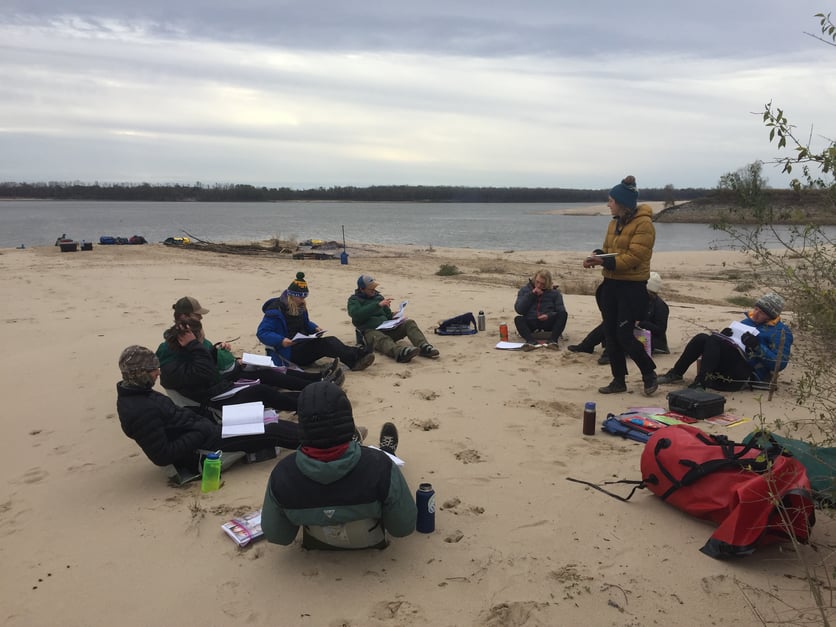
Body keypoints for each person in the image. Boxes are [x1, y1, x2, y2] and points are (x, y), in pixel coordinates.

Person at [261, 381, 417, 550]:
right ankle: (384, 450)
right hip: (370, 540)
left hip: (316, 543)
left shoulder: (283, 473)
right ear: (348, 420)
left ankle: (353, 444)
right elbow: (402, 528)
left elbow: (278, 536)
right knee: (381, 470)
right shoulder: (381, 466)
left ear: (302, 426)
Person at [116, 345, 303, 473]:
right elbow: (163, 455)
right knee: (271, 431)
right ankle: (321, 441)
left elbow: (175, 419)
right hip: (204, 448)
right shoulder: (139, 409)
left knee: (267, 420)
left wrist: (204, 418)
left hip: (208, 429)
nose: (158, 372)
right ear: (139, 374)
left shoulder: (140, 393)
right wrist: (201, 430)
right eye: (152, 370)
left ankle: (314, 434)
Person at [168, 296, 345, 390]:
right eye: (197, 314)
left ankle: (318, 378)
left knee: (272, 370)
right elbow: (199, 368)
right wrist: (222, 360)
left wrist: (219, 349)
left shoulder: (193, 333)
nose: (200, 317)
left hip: (231, 367)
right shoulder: (180, 340)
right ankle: (318, 384)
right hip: (224, 378)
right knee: (269, 378)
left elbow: (205, 355)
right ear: (183, 316)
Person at [582, 175, 658, 396]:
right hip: (611, 284)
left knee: (624, 334)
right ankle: (618, 380)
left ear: (623, 203)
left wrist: (605, 260)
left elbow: (634, 257)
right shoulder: (613, 223)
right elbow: (608, 251)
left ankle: (648, 373)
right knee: (610, 332)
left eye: (611, 201)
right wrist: (596, 257)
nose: (608, 204)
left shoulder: (645, 224)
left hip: (632, 288)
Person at [157, 316, 302, 413]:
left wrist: (214, 350)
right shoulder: (171, 365)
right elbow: (206, 374)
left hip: (218, 392)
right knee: (262, 391)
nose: (203, 340)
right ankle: (307, 404)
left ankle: (308, 397)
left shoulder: (181, 354)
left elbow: (206, 370)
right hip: (210, 403)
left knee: (267, 386)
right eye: (201, 337)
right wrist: (196, 346)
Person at [657, 292, 793, 391]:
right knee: (702, 338)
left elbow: (779, 364)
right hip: (729, 364)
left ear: (771, 316)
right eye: (756, 309)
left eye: (762, 312)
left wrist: (757, 347)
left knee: (714, 341)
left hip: (747, 372)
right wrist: (724, 336)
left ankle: (701, 383)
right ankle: (676, 373)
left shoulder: (781, 332)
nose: (756, 314)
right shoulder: (747, 321)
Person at [257, 272, 375, 372]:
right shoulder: (275, 311)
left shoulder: (300, 306)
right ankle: (355, 360)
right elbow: (262, 332)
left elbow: (305, 323)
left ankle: (358, 355)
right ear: (291, 296)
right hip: (288, 352)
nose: (303, 300)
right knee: (328, 343)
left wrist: (315, 328)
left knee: (329, 342)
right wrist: (281, 340)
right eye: (301, 297)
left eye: (304, 297)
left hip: (301, 343)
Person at [568, 271, 670, 363]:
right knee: (610, 323)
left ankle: (609, 353)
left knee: (622, 328)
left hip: (650, 340)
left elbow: (660, 330)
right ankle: (587, 345)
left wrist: (640, 323)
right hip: (634, 331)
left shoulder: (660, 306)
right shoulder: (636, 298)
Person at [347, 274, 440, 363]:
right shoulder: (354, 300)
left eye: (374, 287)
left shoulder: (378, 297)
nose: (374, 290)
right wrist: (377, 305)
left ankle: (424, 347)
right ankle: (400, 353)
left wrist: (394, 315)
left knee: (409, 323)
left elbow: (387, 315)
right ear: (362, 289)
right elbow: (356, 315)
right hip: (369, 332)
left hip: (387, 328)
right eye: (371, 288)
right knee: (381, 338)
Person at [513, 269, 567, 350]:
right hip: (531, 320)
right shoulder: (524, 290)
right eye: (537, 282)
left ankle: (553, 341)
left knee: (563, 315)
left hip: (548, 321)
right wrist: (532, 294)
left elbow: (560, 310)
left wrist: (548, 315)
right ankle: (531, 341)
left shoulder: (555, 293)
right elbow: (519, 310)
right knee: (518, 319)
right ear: (534, 279)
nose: (539, 285)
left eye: (542, 284)